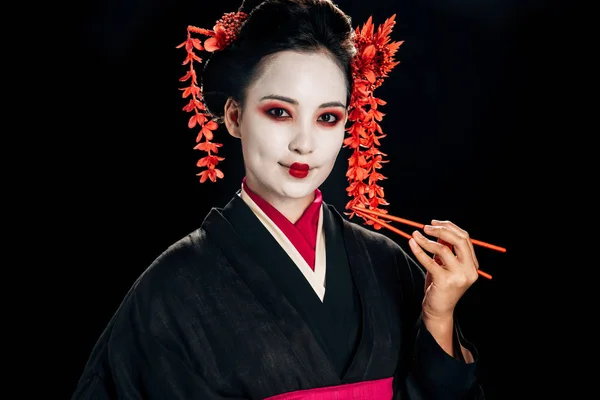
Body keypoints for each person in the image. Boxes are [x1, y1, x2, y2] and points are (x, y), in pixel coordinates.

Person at [71, 0, 486, 398]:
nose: (305, 144)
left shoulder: (389, 265)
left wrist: (438, 316)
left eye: (327, 118)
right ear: (234, 116)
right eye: (279, 112)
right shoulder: (171, 289)